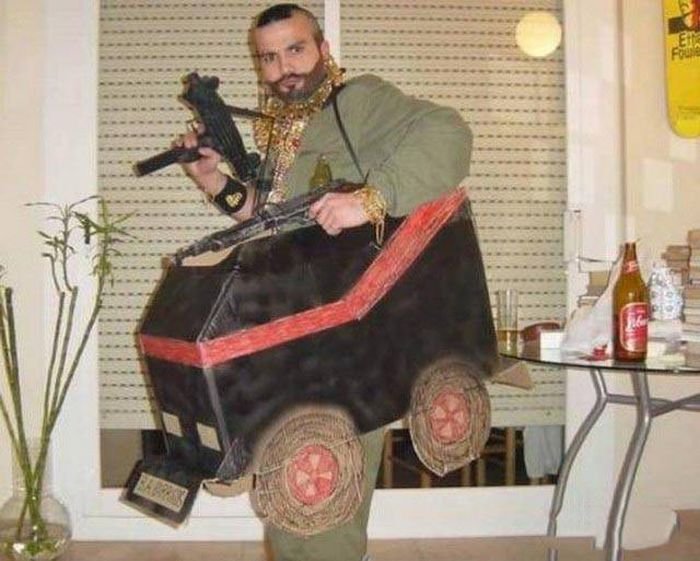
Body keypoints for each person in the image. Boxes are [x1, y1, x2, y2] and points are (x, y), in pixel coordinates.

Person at [178, 4, 473, 560]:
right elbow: (272, 218)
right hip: (294, 331)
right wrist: (214, 180)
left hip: (350, 338)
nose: (283, 68)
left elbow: (450, 132)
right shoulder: (288, 127)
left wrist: (372, 198)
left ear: (323, 49)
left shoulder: (357, 102)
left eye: (295, 49)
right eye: (269, 57)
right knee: (289, 498)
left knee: (323, 498)